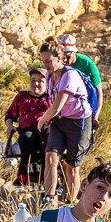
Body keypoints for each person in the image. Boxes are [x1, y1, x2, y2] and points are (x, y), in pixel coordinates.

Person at [37, 36, 95, 207]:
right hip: (60, 121)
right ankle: (49, 199)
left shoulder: (70, 76)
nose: (46, 65)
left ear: (59, 58)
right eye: (43, 61)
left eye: (48, 61)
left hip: (79, 123)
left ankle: (71, 203)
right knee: (50, 157)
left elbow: (56, 106)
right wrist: (48, 118)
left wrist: (42, 120)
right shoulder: (49, 76)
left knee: (71, 166)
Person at [4, 67, 50, 186]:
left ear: (47, 83)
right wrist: (10, 126)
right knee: (27, 138)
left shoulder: (51, 97)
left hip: (45, 129)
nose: (36, 83)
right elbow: (9, 115)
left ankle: (48, 176)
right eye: (33, 80)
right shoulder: (22, 96)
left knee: (47, 138)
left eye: (40, 81)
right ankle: (27, 175)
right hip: (27, 129)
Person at [58, 34, 103, 128]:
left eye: (68, 56)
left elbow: (98, 92)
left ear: (74, 52)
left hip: (84, 109)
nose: (65, 60)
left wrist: (96, 117)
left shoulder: (87, 64)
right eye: (62, 57)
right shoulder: (57, 65)